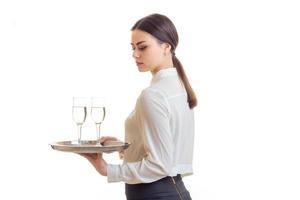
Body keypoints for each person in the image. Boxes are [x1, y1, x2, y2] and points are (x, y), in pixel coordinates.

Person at [79, 13, 197, 200]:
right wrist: (124, 147)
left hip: (154, 194)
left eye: (143, 47)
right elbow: (167, 148)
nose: (135, 54)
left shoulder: (154, 95)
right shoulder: (179, 87)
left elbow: (160, 165)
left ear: (166, 47)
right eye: (133, 48)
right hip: (172, 191)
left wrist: (107, 170)